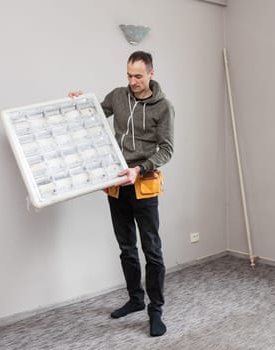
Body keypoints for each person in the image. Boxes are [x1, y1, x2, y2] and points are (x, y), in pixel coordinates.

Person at [68, 51, 174, 337]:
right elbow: (93, 114)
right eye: (129, 75)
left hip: (143, 182)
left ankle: (156, 311)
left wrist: (139, 169)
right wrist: (78, 103)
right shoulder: (117, 96)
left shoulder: (163, 107)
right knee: (126, 247)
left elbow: (167, 149)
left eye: (138, 76)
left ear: (152, 73)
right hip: (117, 183)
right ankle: (136, 300)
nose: (133, 81)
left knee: (151, 249)